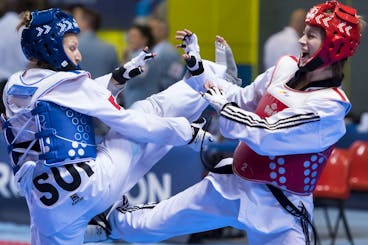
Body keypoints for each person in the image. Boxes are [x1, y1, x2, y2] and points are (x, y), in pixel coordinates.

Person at [84, 1, 365, 244]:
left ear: (333, 48)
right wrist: (199, 70)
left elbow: (267, 134)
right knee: (149, 224)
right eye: (304, 33)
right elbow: (240, 99)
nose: (302, 41)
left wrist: (224, 106)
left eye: (312, 36)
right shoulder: (286, 67)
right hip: (233, 183)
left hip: (278, 209)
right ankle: (106, 221)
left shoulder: (329, 106)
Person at [0, 8, 213, 245]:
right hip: (93, 186)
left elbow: (70, 98)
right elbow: (127, 121)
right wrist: (185, 132)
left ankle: (98, 230)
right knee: (144, 114)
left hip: (46, 207)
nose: (78, 56)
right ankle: (204, 85)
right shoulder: (70, 84)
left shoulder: (14, 85)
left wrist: (116, 79)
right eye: (72, 48)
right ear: (52, 49)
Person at [69, 4, 119, 79]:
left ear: (86, 22)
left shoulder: (70, 47)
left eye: (75, 19)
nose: (72, 23)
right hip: (102, 89)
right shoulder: (110, 49)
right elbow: (116, 79)